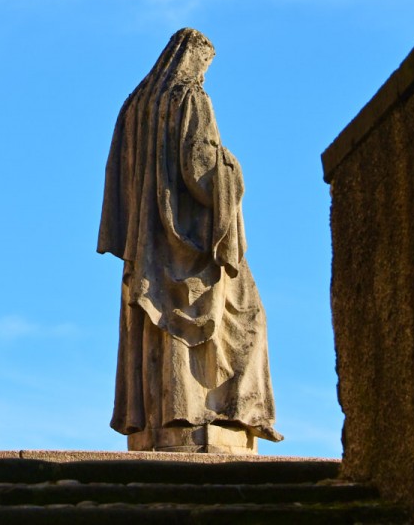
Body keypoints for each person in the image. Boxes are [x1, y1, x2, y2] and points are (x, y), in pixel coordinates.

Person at [97, 28, 282, 452]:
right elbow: (201, 169)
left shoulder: (133, 107)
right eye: (205, 65)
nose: (203, 73)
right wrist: (231, 168)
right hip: (192, 239)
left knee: (161, 319)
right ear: (195, 58)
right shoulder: (189, 98)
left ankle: (169, 413)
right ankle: (224, 413)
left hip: (148, 243)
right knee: (249, 316)